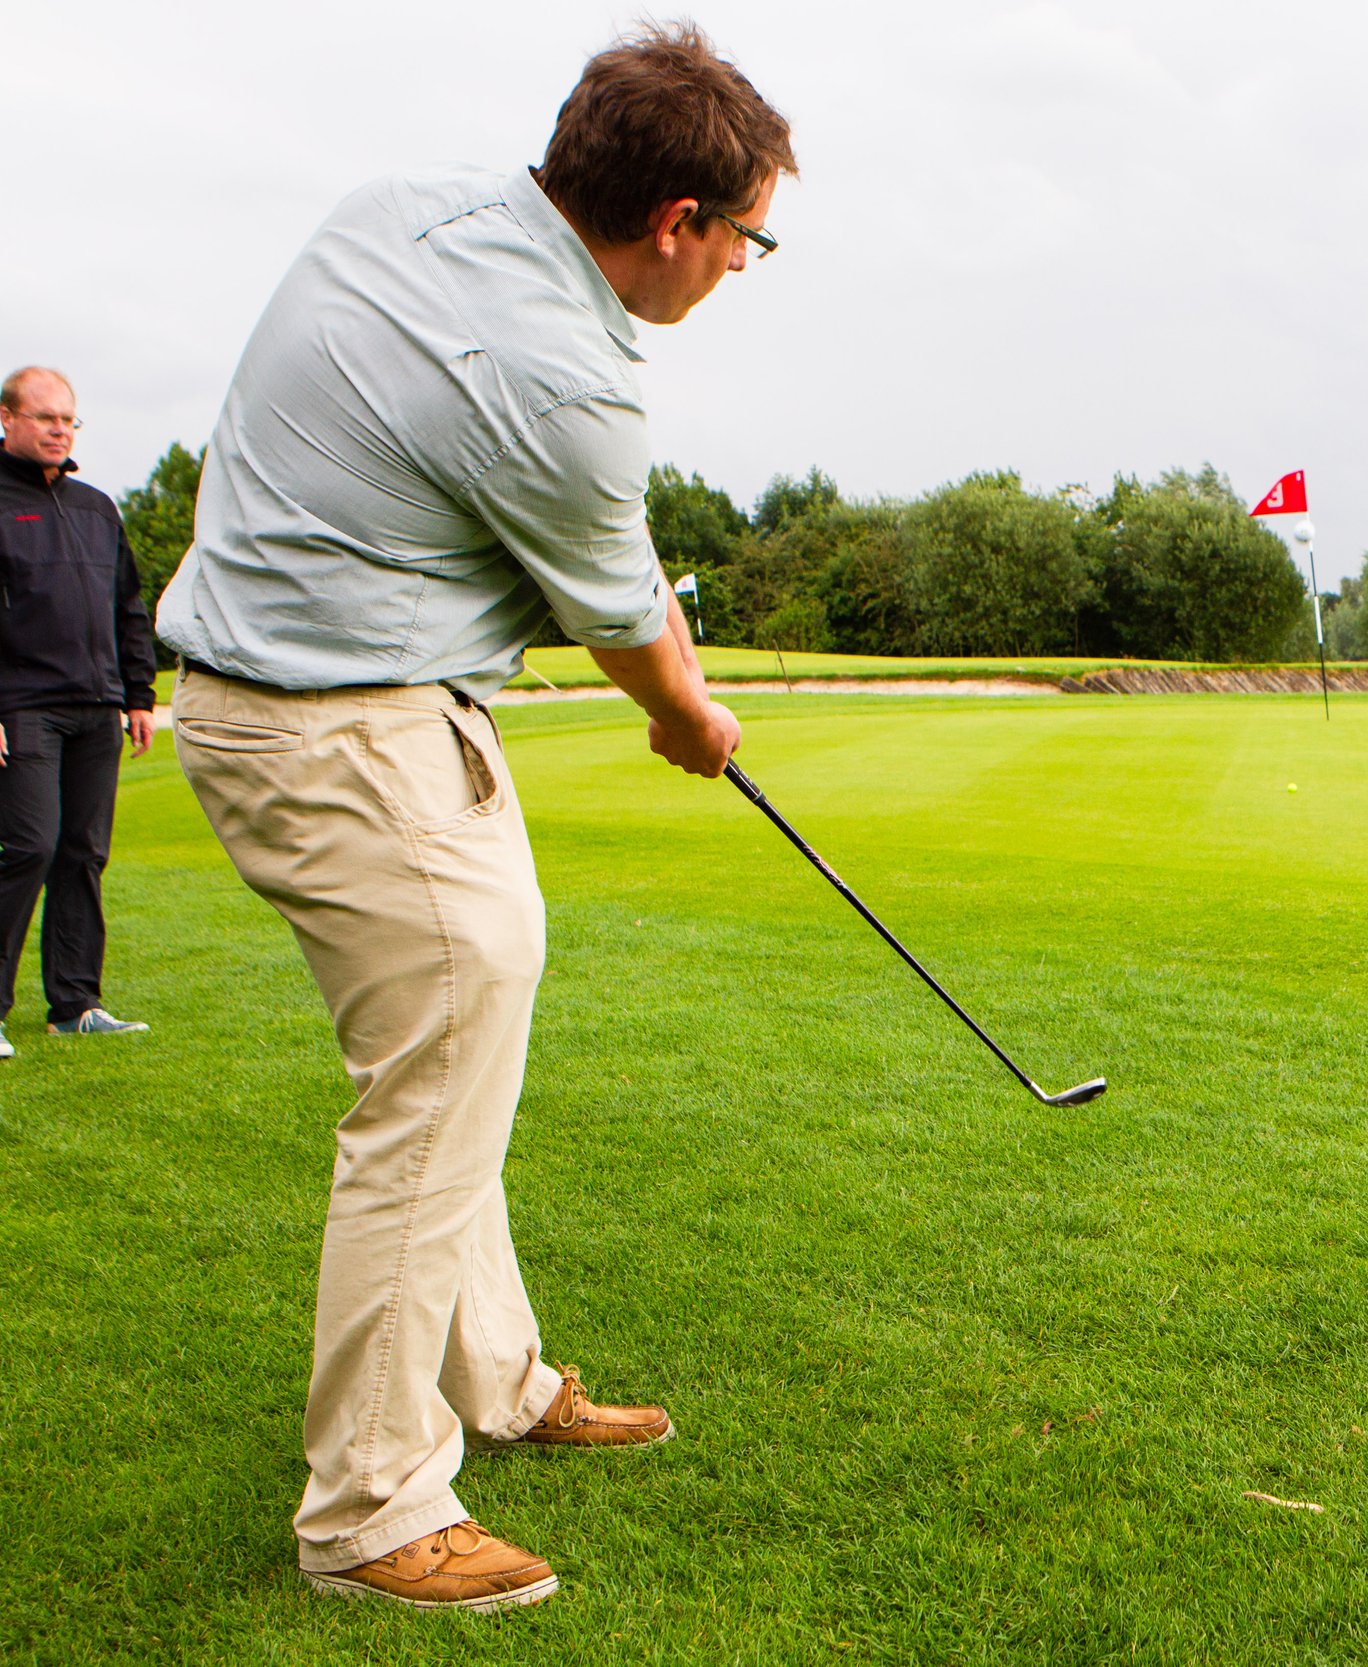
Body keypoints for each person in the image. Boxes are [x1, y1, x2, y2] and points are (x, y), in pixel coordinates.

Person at [154, 24, 794, 1613]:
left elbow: (619, 556)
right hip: (344, 730)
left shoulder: (415, 207)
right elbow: (626, 621)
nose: (736, 268)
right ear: (678, 224)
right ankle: (371, 1508)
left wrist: (680, 676)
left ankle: (499, 1375)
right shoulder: (567, 378)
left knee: (458, 1056)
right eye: (747, 240)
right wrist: (689, 715)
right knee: (430, 1090)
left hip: (310, 703)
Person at [0, 365, 156, 1057]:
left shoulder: (97, 507)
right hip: (23, 704)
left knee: (83, 854)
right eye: (44, 417)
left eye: (68, 419)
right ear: (8, 418)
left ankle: (75, 1003)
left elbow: (129, 605)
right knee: (29, 845)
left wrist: (140, 695)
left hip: (98, 706)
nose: (59, 429)